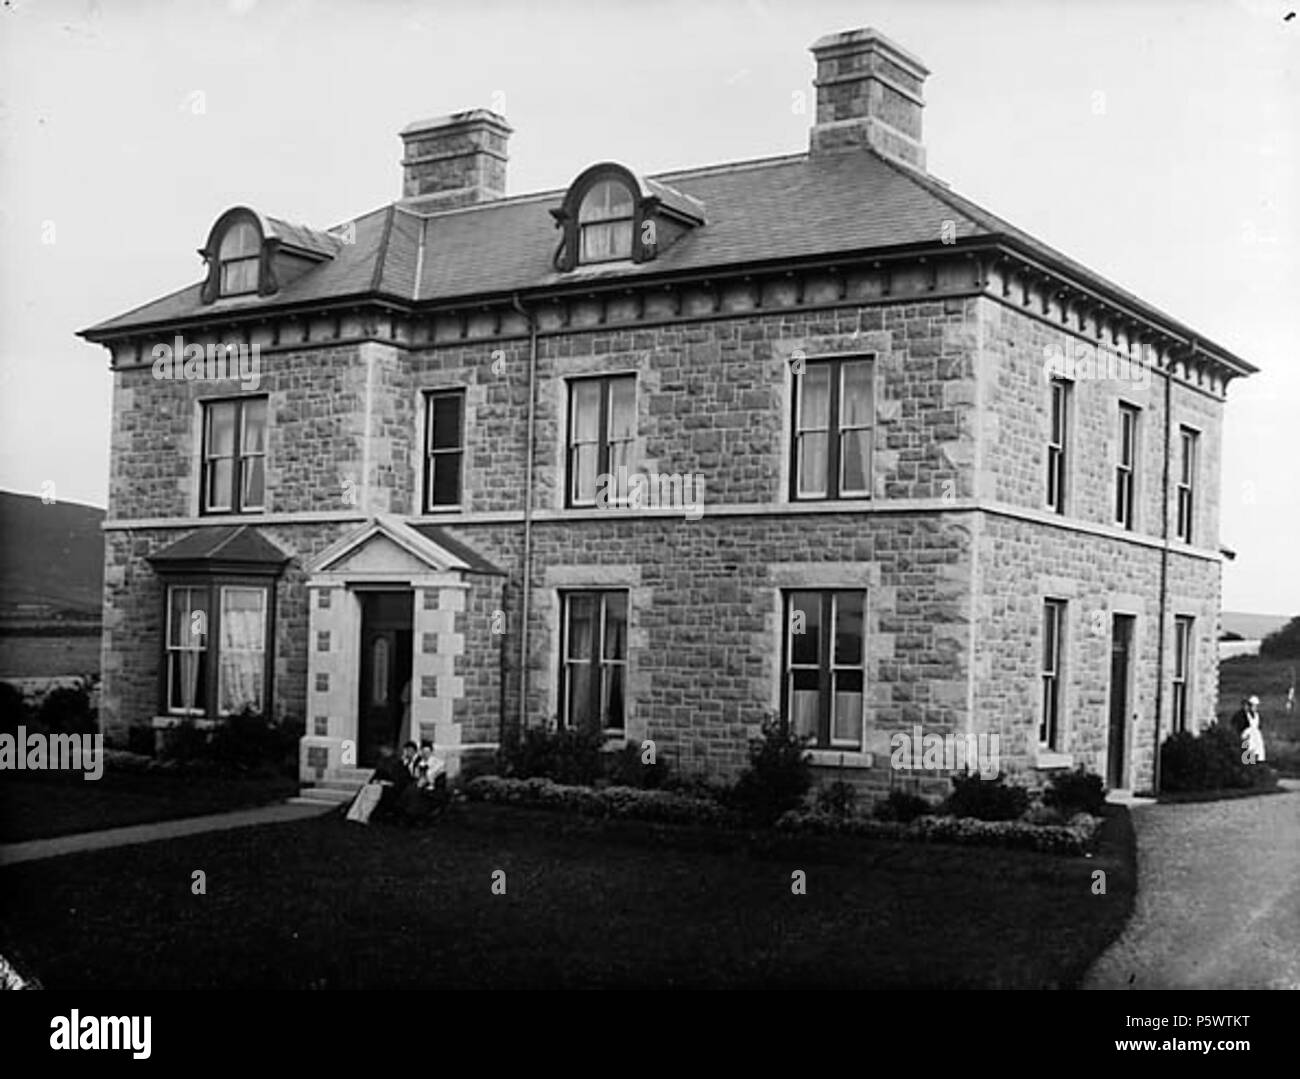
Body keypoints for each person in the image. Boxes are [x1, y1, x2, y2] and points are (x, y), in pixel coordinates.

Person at [346, 745, 405, 825]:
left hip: (390, 786)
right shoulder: (382, 762)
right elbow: (377, 774)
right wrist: (373, 781)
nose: (383, 752)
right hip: (379, 784)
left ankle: (365, 815)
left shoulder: (397, 763)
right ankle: (355, 813)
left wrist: (383, 782)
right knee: (366, 788)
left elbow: (398, 779)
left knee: (374, 790)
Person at [1232, 694, 1266, 764]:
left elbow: (1259, 725)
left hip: (1255, 736)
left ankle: (1256, 763)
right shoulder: (1242, 715)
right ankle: (1246, 763)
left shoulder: (1257, 715)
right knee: (1247, 751)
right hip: (1247, 735)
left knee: (1257, 751)